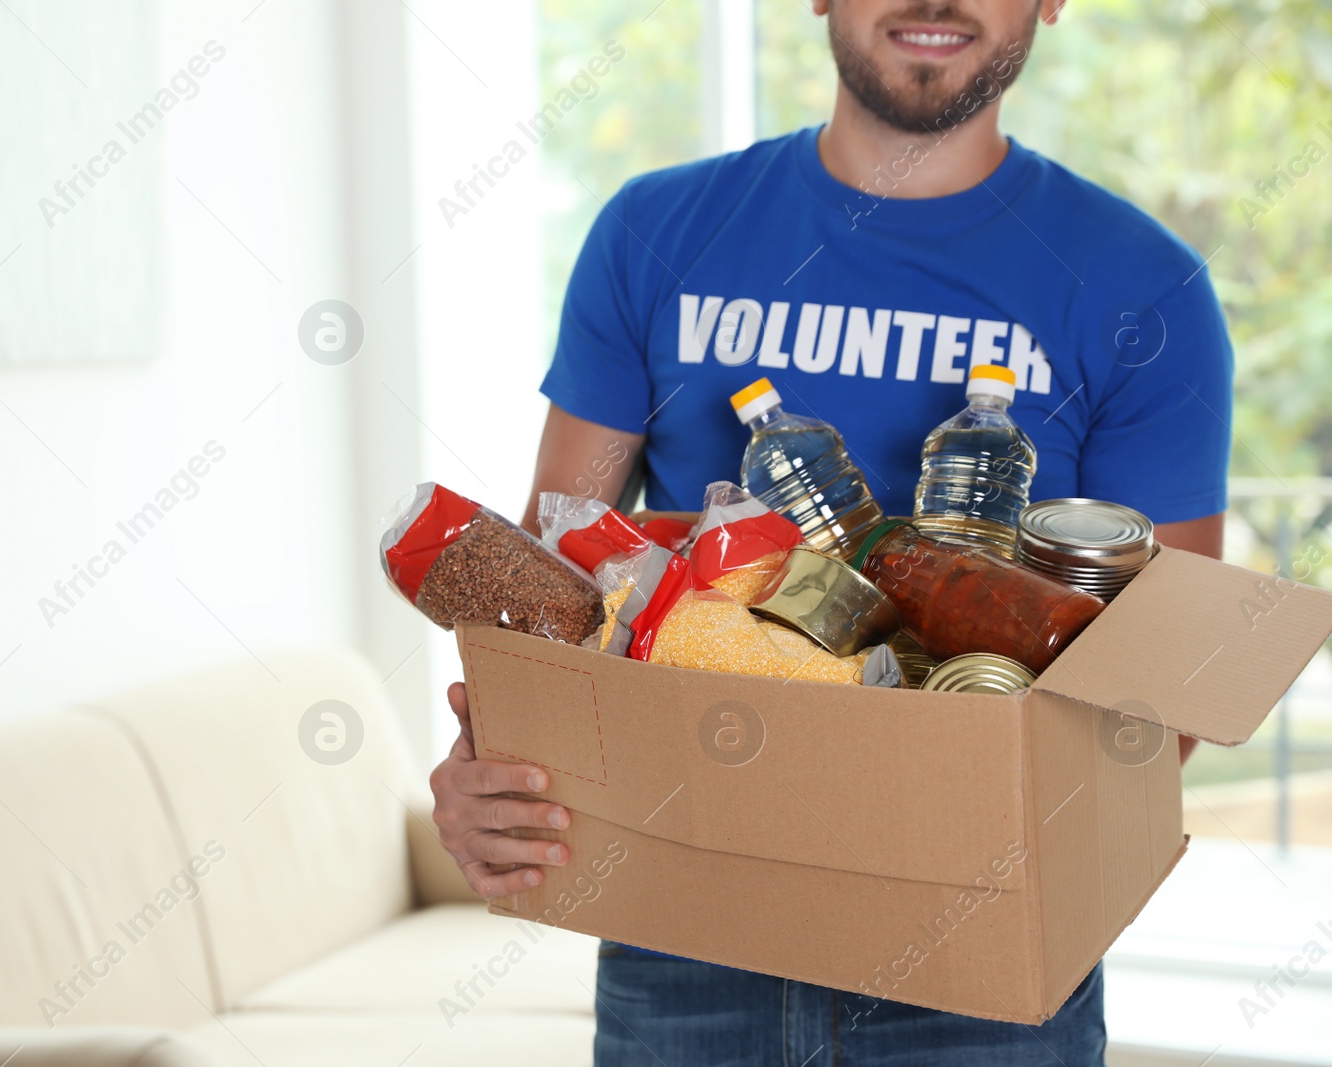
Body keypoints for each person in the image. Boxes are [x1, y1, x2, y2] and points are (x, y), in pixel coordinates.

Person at [430, 0, 1231, 1062]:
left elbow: (1162, 696)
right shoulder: (655, 232)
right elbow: (548, 588)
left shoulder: (1143, 287)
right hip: (683, 928)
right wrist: (490, 762)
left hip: (982, 943)